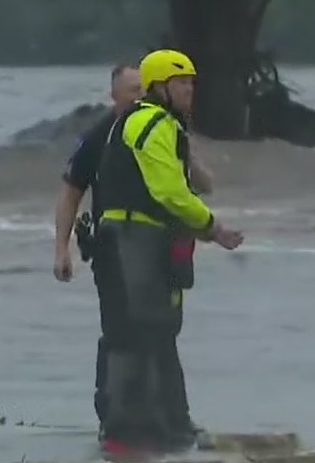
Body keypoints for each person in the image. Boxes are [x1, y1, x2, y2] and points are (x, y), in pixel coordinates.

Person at [92, 49, 244, 454]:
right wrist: (214, 226)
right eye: (181, 83)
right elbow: (169, 192)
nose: (189, 90)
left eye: (192, 83)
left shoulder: (155, 123)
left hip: (142, 238)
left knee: (154, 330)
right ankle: (126, 431)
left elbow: (180, 189)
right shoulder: (152, 122)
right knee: (137, 333)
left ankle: (160, 425)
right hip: (132, 238)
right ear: (159, 87)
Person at [53, 64, 213, 445]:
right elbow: (71, 191)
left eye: (143, 88)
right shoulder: (99, 136)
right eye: (130, 90)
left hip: (160, 248)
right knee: (121, 334)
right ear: (114, 95)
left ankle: (173, 420)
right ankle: (115, 420)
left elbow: (204, 185)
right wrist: (61, 248)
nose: (138, 96)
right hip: (116, 247)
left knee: (162, 332)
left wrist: (181, 152)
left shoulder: (162, 128)